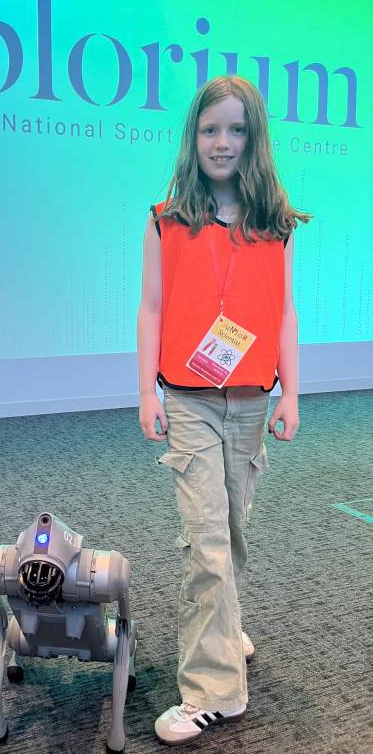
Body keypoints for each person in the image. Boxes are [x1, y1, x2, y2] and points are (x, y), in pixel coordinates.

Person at [136, 75, 312, 746]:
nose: (221, 141)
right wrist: (145, 391)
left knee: (231, 532)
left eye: (235, 129)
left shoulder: (275, 221)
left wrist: (291, 392)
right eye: (210, 129)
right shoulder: (165, 218)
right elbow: (150, 308)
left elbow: (284, 312)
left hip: (249, 399)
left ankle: (224, 626)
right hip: (186, 397)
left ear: (252, 139)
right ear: (193, 138)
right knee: (204, 544)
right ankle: (214, 692)